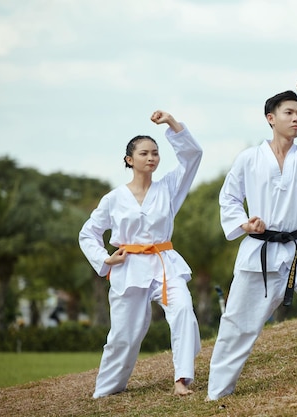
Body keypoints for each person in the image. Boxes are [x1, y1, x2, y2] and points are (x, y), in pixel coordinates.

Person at [206, 76, 297, 401]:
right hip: (259, 252)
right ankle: (217, 393)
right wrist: (245, 224)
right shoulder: (249, 158)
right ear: (271, 118)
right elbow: (228, 199)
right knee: (237, 325)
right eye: (289, 113)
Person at [79, 110, 203, 398]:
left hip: (164, 264)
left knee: (183, 309)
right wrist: (105, 259)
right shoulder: (113, 199)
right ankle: (107, 389)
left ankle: (182, 379)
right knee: (123, 336)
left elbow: (193, 155)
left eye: (156, 153)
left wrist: (172, 124)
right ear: (129, 160)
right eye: (144, 153)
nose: (151, 158)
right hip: (129, 268)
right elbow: (88, 233)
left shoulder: (170, 187)